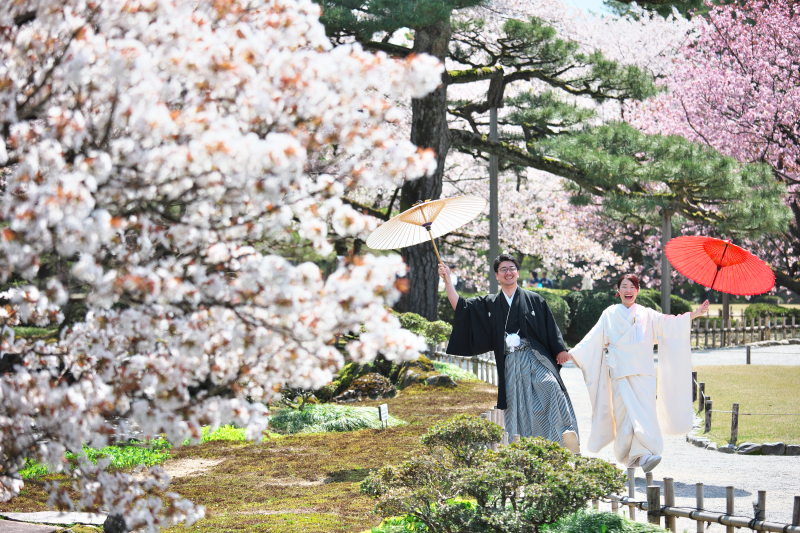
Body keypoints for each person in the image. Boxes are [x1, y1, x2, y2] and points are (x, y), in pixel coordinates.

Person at [561, 274, 709, 472]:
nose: (628, 290)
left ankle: (645, 454)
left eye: (632, 286)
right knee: (624, 417)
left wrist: (695, 313)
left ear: (637, 291)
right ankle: (629, 456)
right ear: (618, 291)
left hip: (643, 375)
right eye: (624, 286)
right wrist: (573, 354)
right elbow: (594, 339)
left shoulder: (648, 314)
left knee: (644, 415)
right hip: (620, 374)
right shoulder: (609, 314)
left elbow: (670, 323)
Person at [439, 254, 580, 453]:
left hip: (534, 357)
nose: (508, 272)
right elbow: (461, 307)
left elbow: (550, 327)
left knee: (551, 387)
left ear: (517, 272)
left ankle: (562, 435)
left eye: (512, 268)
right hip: (511, 361)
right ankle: (521, 446)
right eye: (503, 269)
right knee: (516, 405)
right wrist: (447, 281)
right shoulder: (490, 302)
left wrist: (560, 349)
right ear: (496, 276)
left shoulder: (534, 299)